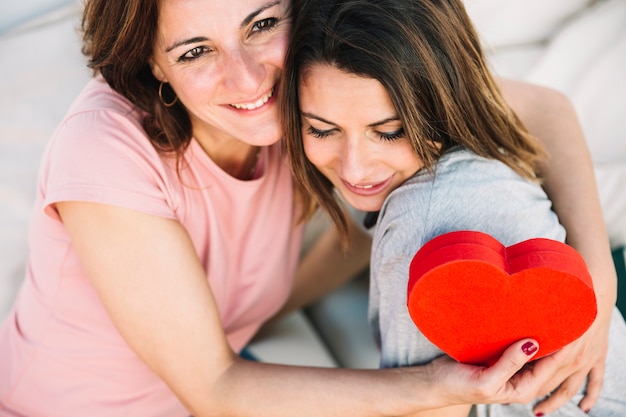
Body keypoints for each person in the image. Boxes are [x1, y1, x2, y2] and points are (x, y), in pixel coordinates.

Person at [0, 0, 615, 415]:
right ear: (151, 65)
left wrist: (595, 280)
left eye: (261, 24)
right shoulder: (104, 152)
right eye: (195, 52)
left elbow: (542, 108)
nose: (245, 79)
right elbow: (217, 386)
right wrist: (438, 384)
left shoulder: (311, 92)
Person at [281, 0, 626, 416]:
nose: (355, 167)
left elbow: (427, 408)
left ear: (445, 98)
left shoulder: (422, 223)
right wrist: (269, 310)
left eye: (390, 132)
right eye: (322, 129)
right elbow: (358, 231)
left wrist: (600, 275)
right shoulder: (426, 150)